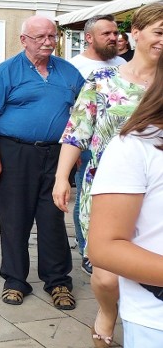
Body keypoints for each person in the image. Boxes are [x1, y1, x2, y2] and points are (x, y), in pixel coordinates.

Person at [54, 3, 163, 348]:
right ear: (136, 34)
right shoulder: (103, 82)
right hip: (106, 189)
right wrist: (61, 179)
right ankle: (107, 309)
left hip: (156, 192)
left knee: (147, 269)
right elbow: (77, 132)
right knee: (106, 274)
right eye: (159, 32)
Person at [0, 16, 84, 310]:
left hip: (57, 154)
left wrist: (75, 154)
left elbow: (83, 114)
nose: (48, 42)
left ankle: (58, 281)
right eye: (41, 37)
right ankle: (15, 280)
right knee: (14, 218)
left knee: (53, 217)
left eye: (52, 36)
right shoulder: (5, 72)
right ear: (23, 40)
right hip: (15, 153)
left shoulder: (68, 72)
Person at [88, 51, 163, 348]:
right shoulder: (138, 146)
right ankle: (108, 315)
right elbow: (103, 247)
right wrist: (60, 177)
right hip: (157, 314)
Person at [66, 14, 126, 273]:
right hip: (89, 146)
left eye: (115, 33)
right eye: (107, 34)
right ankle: (87, 250)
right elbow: (70, 109)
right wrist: (74, 149)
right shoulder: (74, 66)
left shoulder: (122, 63)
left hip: (121, 146)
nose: (114, 37)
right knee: (86, 198)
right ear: (89, 38)